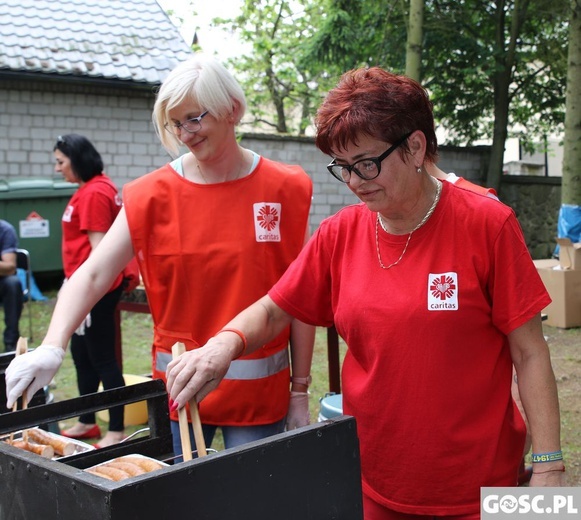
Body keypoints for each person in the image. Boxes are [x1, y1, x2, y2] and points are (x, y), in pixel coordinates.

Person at [164, 67, 565, 518]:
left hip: (483, 486)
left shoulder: (489, 224)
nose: (354, 182)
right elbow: (276, 309)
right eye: (343, 167)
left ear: (415, 147)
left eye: (367, 163)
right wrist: (222, 346)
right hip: (372, 479)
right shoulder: (340, 233)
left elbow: (530, 353)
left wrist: (549, 468)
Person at [5, 54, 315, 457]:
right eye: (175, 122)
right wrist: (52, 343)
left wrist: (300, 391)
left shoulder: (285, 188)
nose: (185, 133)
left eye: (194, 118)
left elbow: (300, 297)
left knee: (251, 500)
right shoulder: (151, 195)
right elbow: (94, 273)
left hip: (259, 392)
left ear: (232, 110)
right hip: (180, 389)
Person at [53, 134, 126, 448]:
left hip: (96, 289)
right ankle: (87, 421)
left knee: (102, 358)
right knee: (82, 356)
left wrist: (84, 292)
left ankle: (117, 430)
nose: (57, 169)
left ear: (77, 159)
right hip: (80, 286)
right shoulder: (87, 190)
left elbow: (100, 253)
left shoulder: (96, 192)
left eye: (60, 162)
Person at [0, 219, 23, 352]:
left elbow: (10, 267)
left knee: (13, 283)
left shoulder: (5, 229)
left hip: (2, 281)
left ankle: (11, 341)